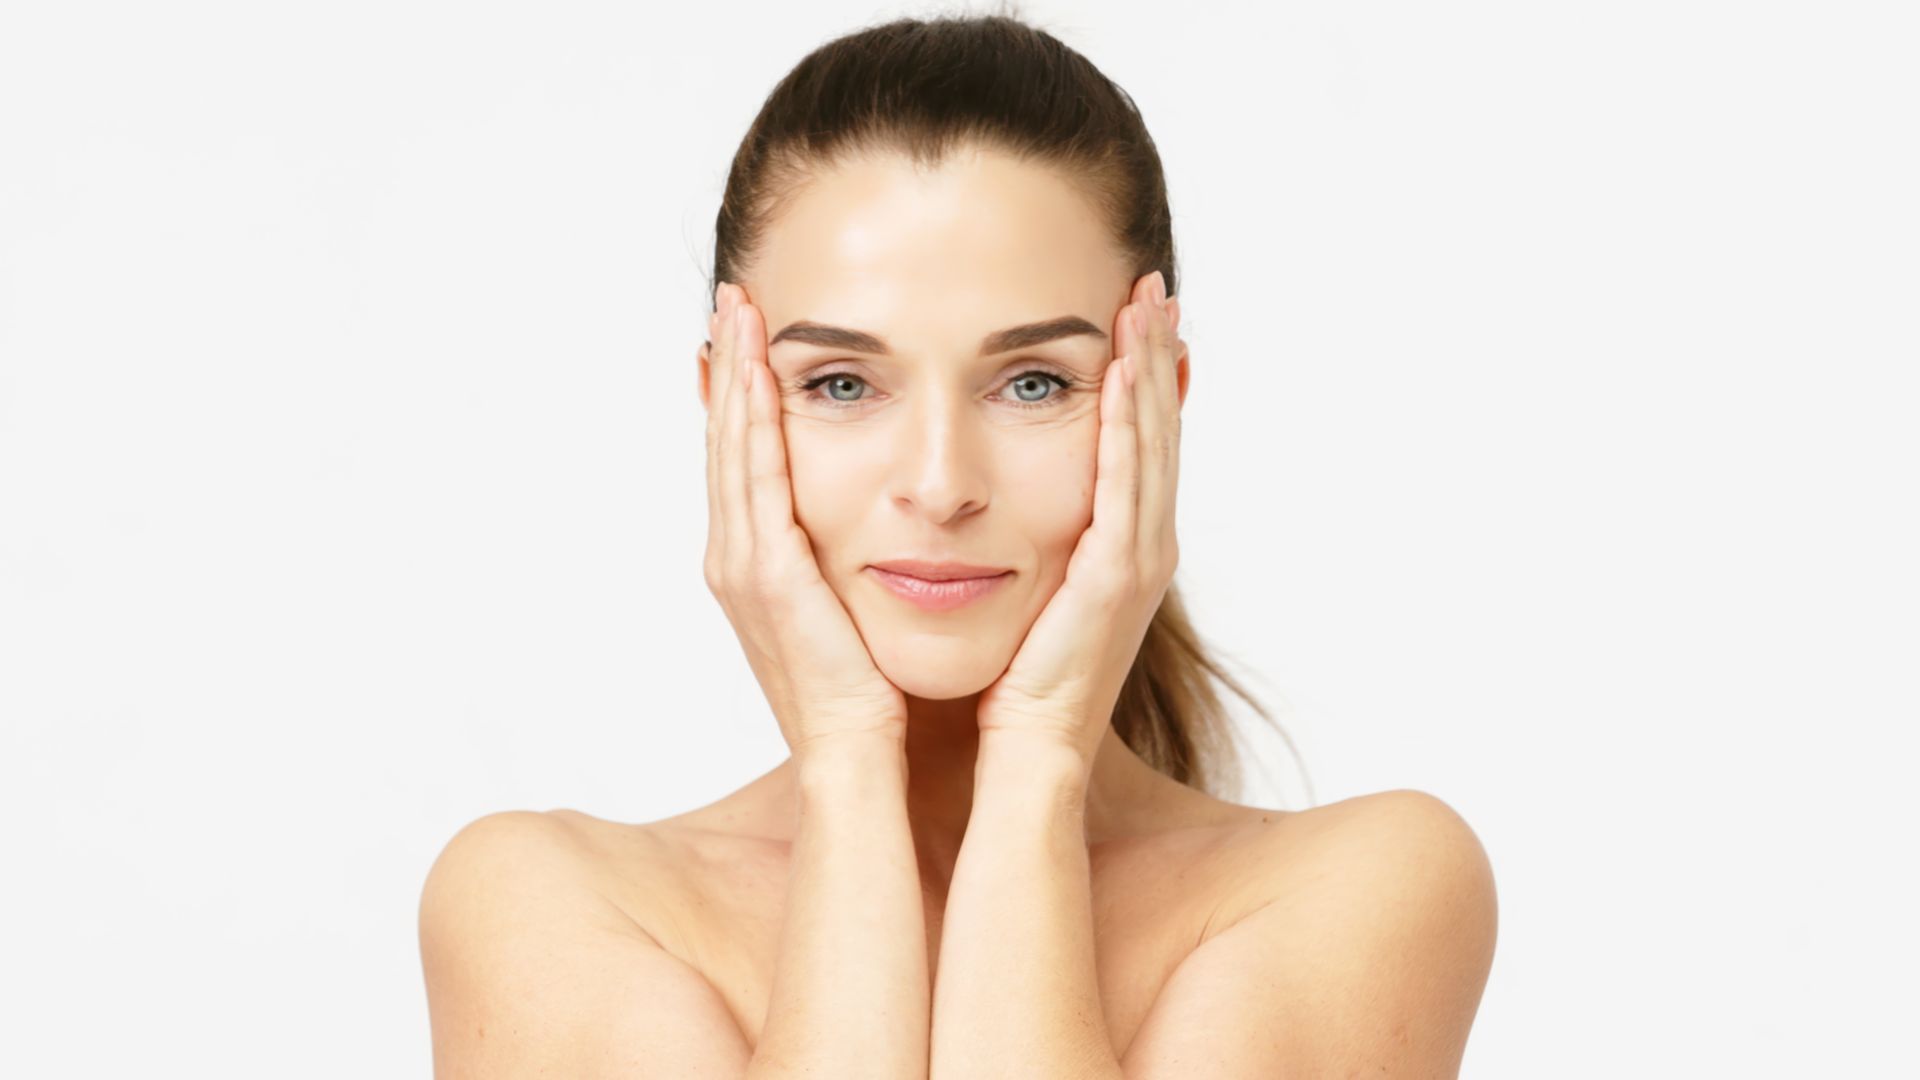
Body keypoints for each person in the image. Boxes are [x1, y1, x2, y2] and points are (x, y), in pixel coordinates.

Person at [419, 12, 1497, 1077]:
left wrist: (1039, 759)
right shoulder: (544, 906)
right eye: (840, 383)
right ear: (727, 410)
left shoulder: (1366, 889)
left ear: (1158, 405)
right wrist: (846, 762)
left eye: (1033, 383)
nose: (939, 484)